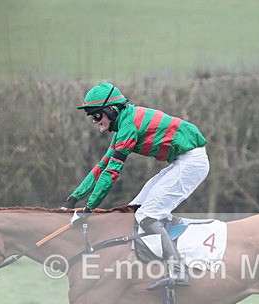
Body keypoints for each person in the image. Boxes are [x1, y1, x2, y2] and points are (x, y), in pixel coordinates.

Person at [60, 82, 209, 290]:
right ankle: (145, 265)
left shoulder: (128, 127)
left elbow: (111, 174)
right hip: (182, 161)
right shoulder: (124, 124)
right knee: (133, 210)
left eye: (96, 115)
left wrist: (88, 209)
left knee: (147, 215)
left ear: (111, 110)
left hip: (191, 162)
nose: (94, 121)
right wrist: (73, 198)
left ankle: (178, 270)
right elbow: (100, 168)